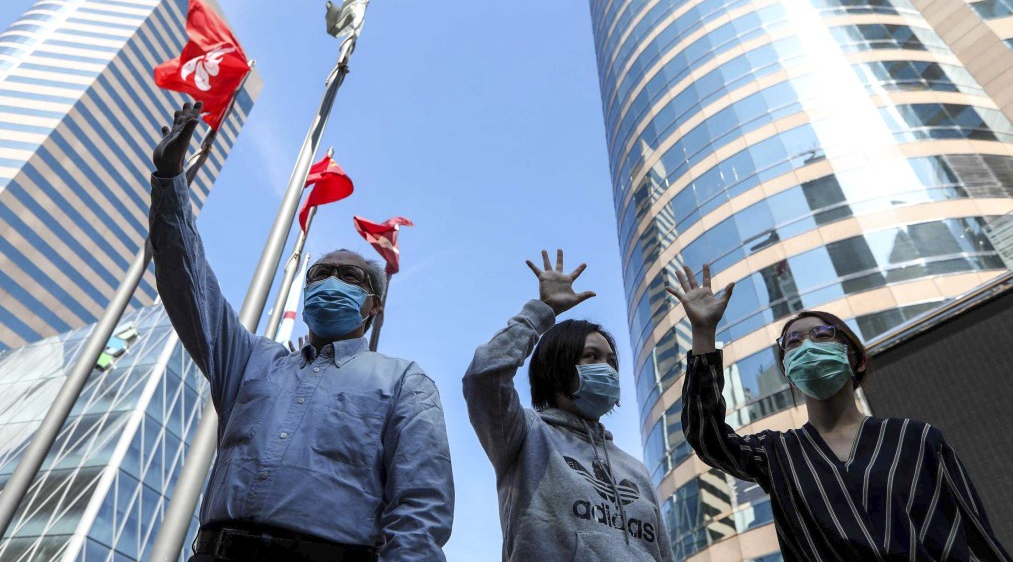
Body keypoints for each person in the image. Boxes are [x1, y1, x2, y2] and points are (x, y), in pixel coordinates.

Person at [150, 103, 454, 562]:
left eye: (350, 277)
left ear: (374, 306)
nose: (332, 282)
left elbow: (421, 505)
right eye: (320, 274)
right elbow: (185, 278)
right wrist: (170, 180)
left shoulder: (403, 381)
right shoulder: (251, 360)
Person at [670, 263, 1013, 562]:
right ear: (788, 369)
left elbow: (976, 535)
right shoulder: (776, 453)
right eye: (793, 342)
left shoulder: (917, 438)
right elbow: (708, 437)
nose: (807, 345)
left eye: (822, 335)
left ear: (857, 358)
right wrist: (703, 333)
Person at [463, 249, 675, 561]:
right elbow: (484, 375)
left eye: (612, 362)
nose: (607, 369)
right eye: (592, 357)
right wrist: (541, 312)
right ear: (558, 365)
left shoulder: (636, 470)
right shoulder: (524, 436)